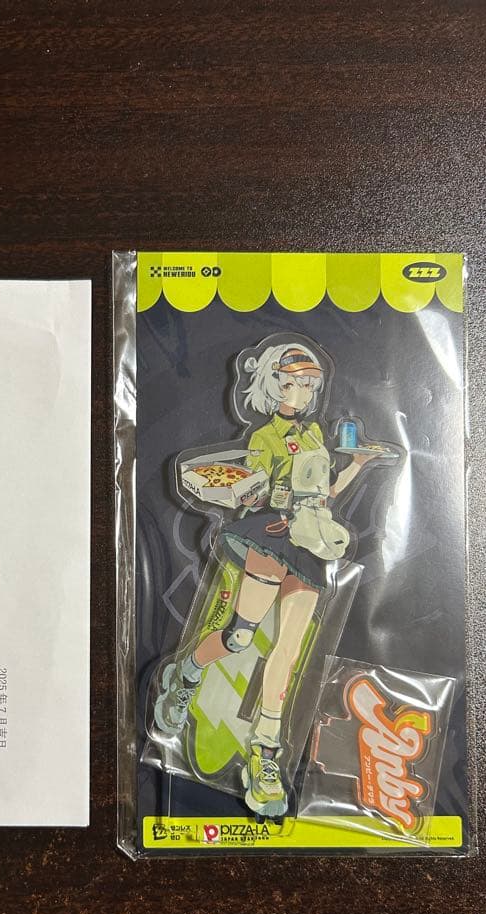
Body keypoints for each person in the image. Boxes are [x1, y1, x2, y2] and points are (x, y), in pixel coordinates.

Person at [154, 339, 379, 818]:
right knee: (240, 636)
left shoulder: (315, 433)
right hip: (272, 536)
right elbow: (251, 490)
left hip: (310, 541)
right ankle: (186, 672)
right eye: (294, 382)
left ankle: (265, 752)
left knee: (289, 651)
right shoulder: (264, 436)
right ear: (274, 384)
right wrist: (246, 494)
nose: (303, 392)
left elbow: (324, 495)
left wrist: (357, 466)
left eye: (310, 384)